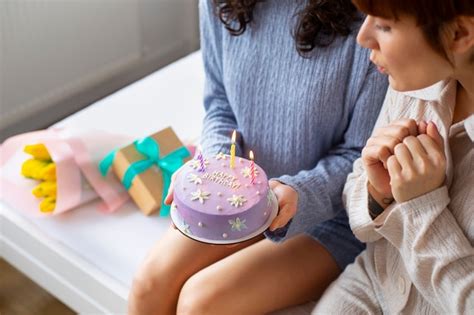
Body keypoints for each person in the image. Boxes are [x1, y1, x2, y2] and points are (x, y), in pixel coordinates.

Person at [128, 0, 388, 314]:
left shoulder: (372, 21)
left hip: (331, 217)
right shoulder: (218, 3)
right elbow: (220, 106)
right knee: (148, 286)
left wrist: (293, 195)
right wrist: (215, 173)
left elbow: (360, 157)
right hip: (239, 203)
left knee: (201, 304)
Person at [314, 0, 474, 313]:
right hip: (371, 283)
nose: (362, 36)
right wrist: (379, 194)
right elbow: (358, 206)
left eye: (385, 26)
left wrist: (421, 207)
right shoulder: (417, 77)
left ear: (459, 32)